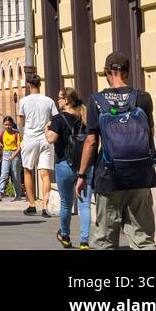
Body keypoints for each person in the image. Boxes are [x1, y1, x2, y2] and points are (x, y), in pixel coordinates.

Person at [76, 52, 156, 250]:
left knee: (105, 238)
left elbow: (91, 141)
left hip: (109, 175)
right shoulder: (143, 98)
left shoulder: (96, 100)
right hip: (140, 174)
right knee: (143, 238)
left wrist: (81, 175)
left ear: (106, 72)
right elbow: (150, 132)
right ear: (128, 73)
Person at [49, 87, 91, 249]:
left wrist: (47, 129)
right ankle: (85, 241)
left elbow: (52, 138)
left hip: (64, 165)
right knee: (85, 204)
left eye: (59, 98)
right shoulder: (85, 117)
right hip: (85, 165)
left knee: (66, 204)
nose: (57, 100)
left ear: (66, 100)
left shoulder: (58, 119)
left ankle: (65, 236)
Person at [17, 74, 58, 217]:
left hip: (30, 139)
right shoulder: (49, 101)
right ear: (40, 85)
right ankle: (45, 207)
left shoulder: (23, 101)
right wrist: (46, 125)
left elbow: (22, 122)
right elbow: (55, 119)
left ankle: (32, 205)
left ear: (28, 85)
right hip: (45, 139)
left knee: (27, 170)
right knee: (45, 174)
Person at [0, 116, 24, 201]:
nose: (8, 126)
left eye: (9, 125)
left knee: (16, 176)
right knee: (4, 174)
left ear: (12, 124)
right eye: (6, 125)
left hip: (15, 155)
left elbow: (19, 147)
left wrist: (13, 155)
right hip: (6, 154)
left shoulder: (16, 134)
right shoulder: (2, 134)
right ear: (3, 125)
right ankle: (0, 192)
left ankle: (18, 196)